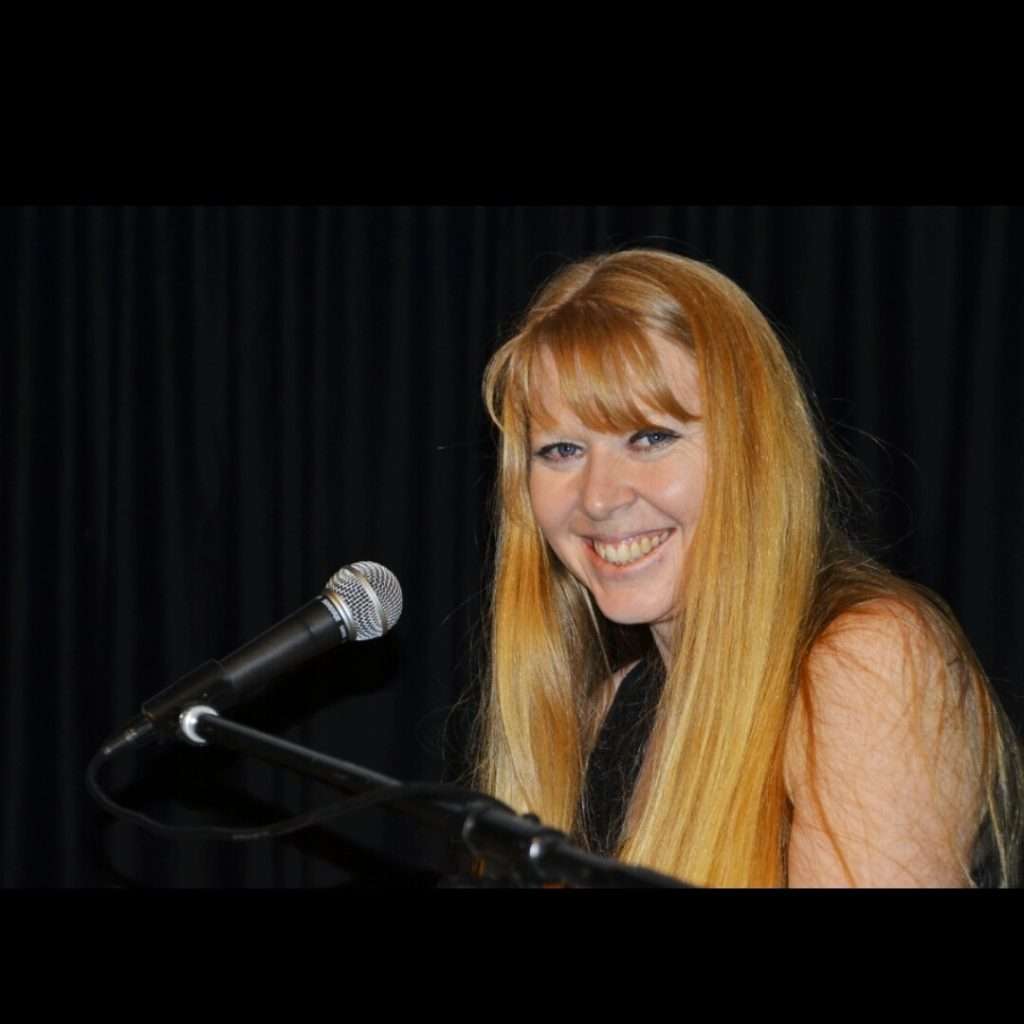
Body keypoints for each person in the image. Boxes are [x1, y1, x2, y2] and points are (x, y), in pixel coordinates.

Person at [473, 248, 1022, 887]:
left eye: (650, 438)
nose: (598, 497)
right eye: (561, 450)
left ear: (753, 448)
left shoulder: (866, 664)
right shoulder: (611, 710)